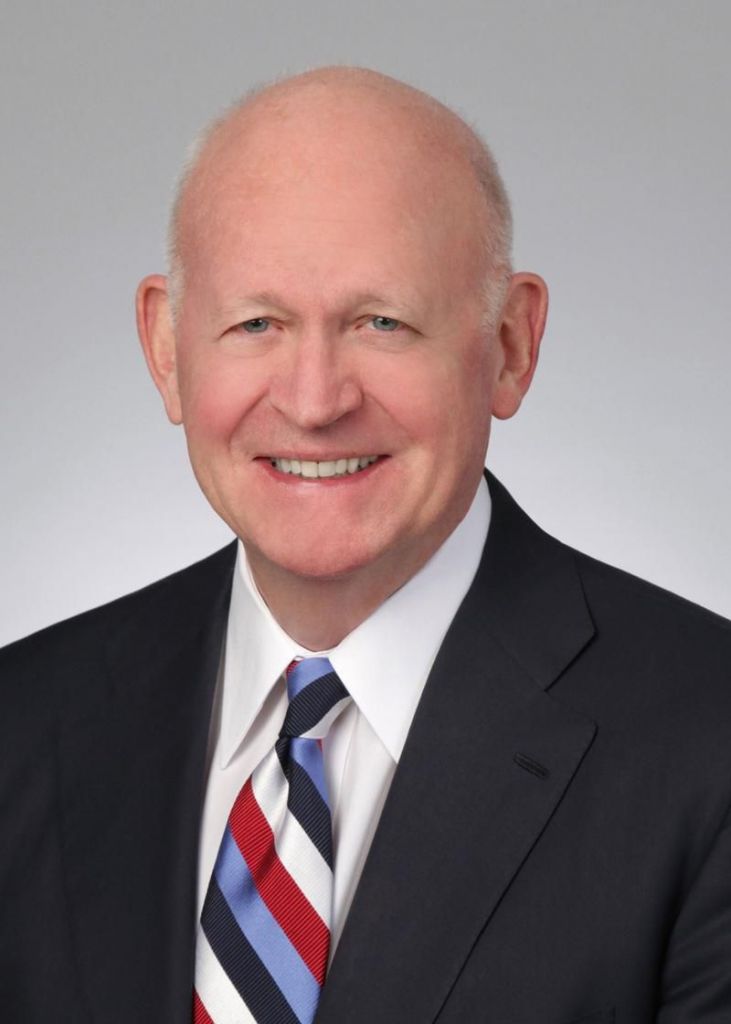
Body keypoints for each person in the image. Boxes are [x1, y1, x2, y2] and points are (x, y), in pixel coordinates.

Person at [2, 66, 730, 1024]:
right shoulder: (23, 724)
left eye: (381, 322)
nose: (314, 402)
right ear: (167, 349)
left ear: (510, 345)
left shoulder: (706, 742)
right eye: (255, 323)